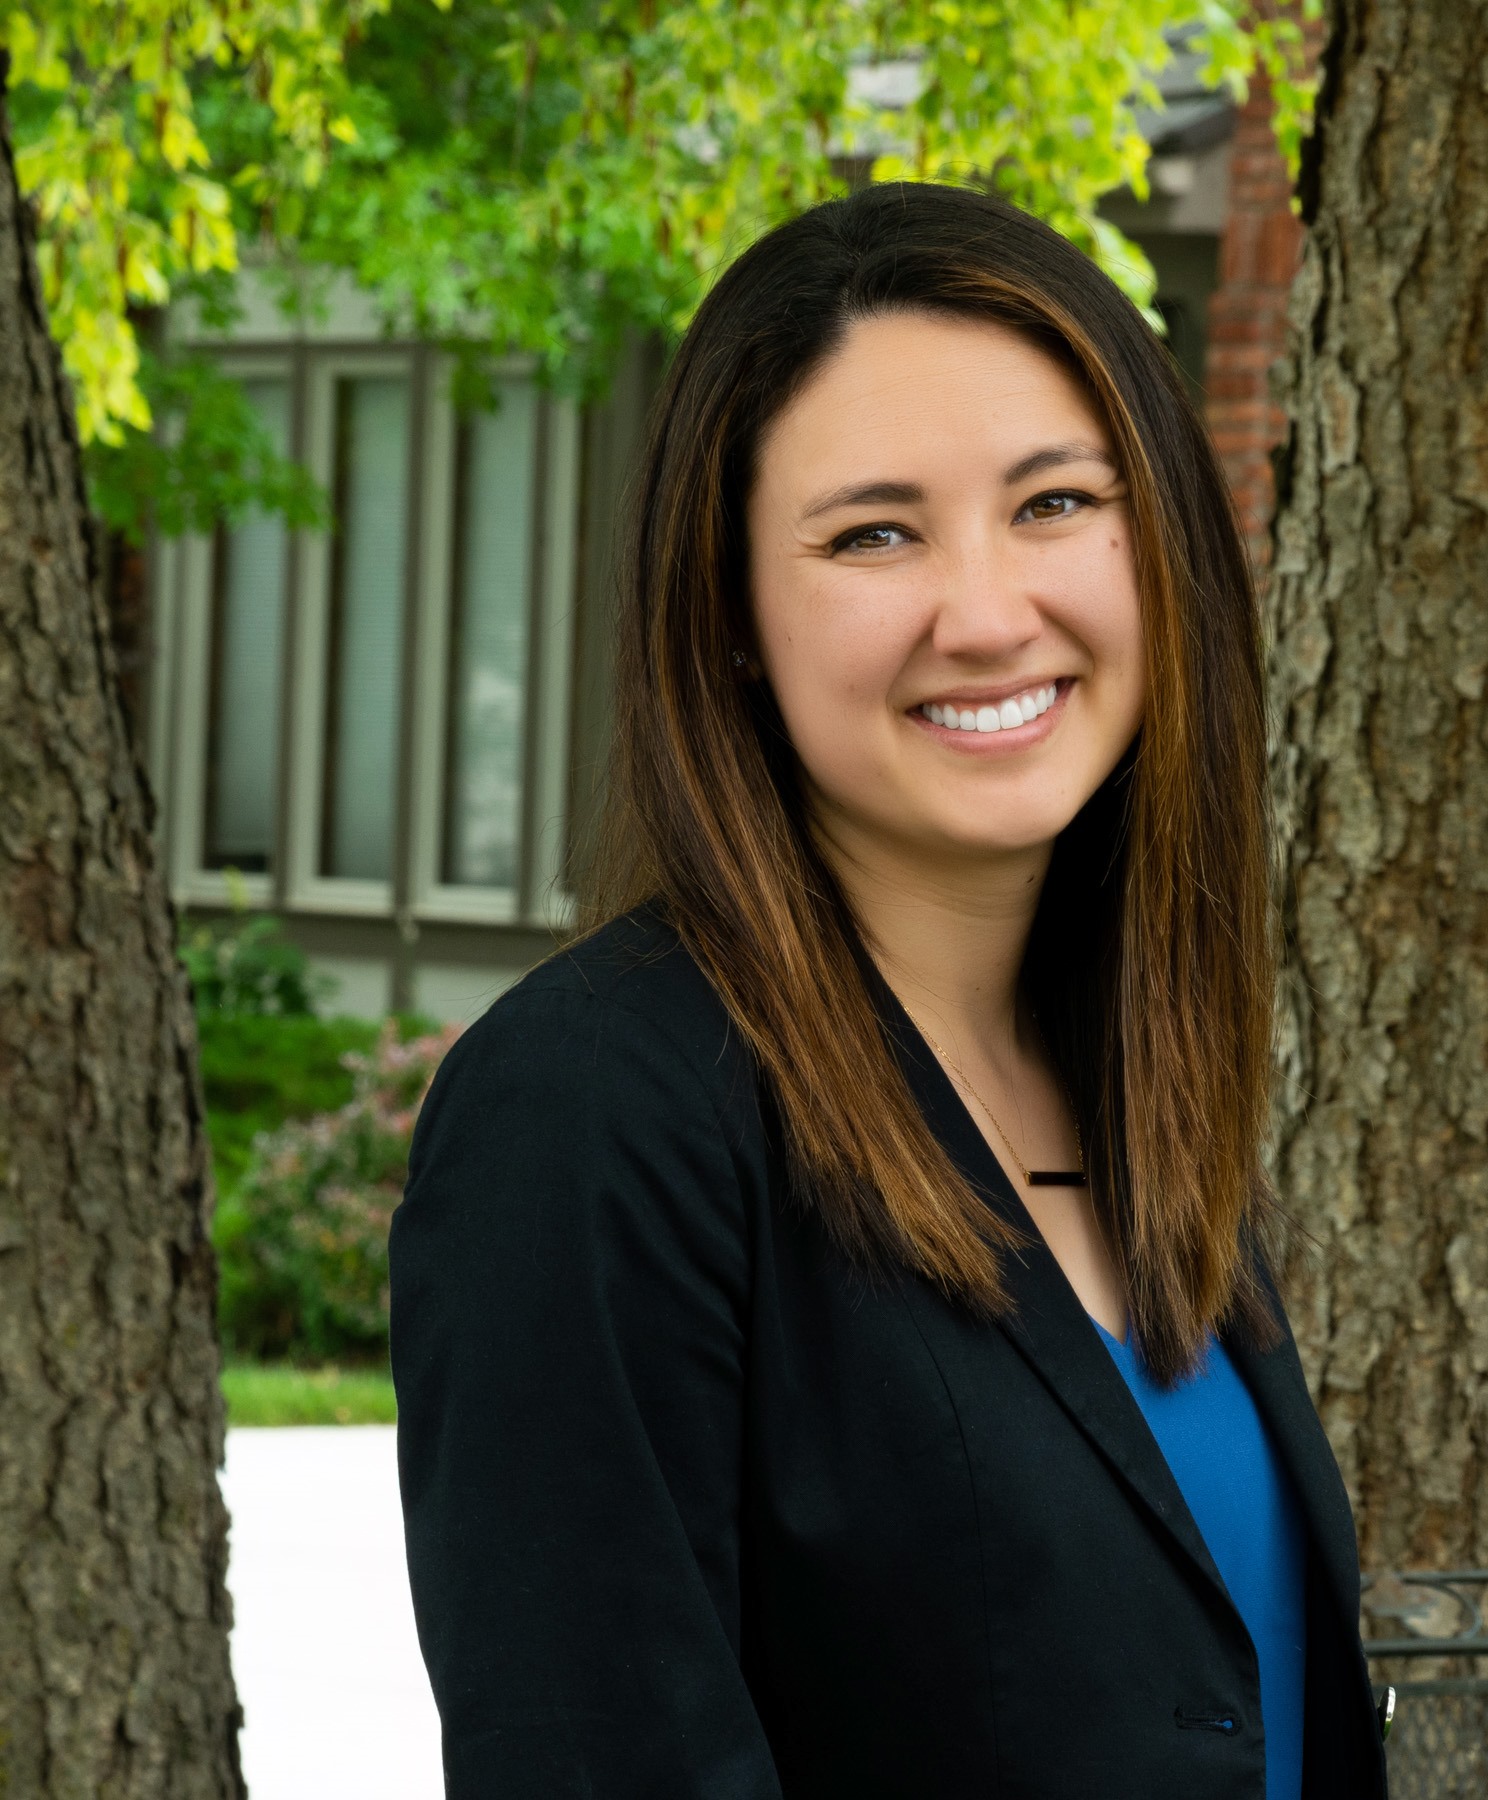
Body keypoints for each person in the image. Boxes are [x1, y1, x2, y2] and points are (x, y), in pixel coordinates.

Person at [390, 181, 1389, 1800]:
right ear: (728, 617)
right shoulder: (594, 1114)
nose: (989, 616)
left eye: (1056, 503)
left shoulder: (1124, 1074)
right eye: (874, 533)